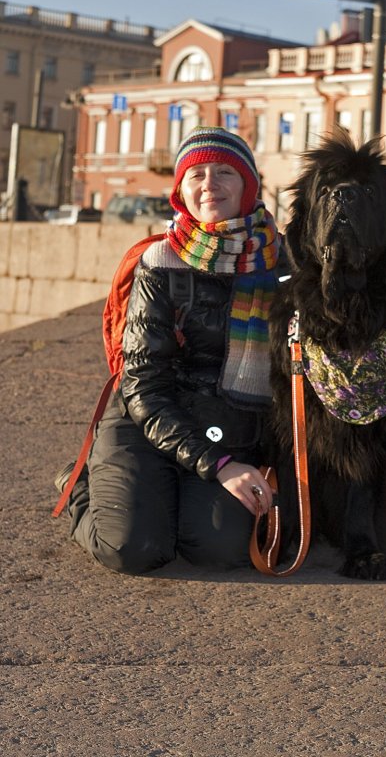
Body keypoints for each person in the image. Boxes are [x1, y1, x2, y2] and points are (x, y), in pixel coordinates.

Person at [55, 126, 280, 574]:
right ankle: (81, 485)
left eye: (223, 173)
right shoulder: (160, 263)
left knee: (219, 549)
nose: (209, 184)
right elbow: (143, 387)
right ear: (181, 190)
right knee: (133, 549)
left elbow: (359, 311)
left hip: (225, 424)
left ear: (249, 186)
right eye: (196, 175)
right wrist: (218, 467)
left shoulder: (282, 264)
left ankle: (170, 495)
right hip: (146, 419)